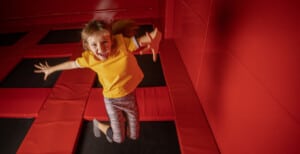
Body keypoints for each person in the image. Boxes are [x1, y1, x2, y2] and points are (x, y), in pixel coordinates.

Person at [34, 20, 162, 143]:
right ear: (87, 46)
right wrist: (51, 69)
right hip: (112, 101)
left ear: (111, 40)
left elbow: (154, 34)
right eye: (94, 45)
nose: (100, 49)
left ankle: (121, 127)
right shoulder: (90, 59)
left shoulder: (123, 45)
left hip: (130, 96)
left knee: (134, 135)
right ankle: (100, 125)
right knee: (119, 139)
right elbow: (72, 64)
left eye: (104, 42)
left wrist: (157, 38)